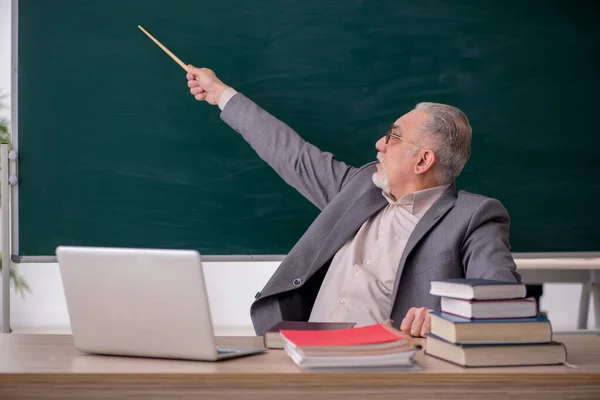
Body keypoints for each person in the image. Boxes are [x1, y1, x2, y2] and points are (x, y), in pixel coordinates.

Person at [185, 65, 521, 337]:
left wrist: (447, 319)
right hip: (303, 350)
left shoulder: (473, 216)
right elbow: (292, 155)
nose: (380, 143)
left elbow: (498, 296)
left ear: (423, 161)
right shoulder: (359, 187)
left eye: (393, 136)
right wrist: (220, 94)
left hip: (389, 368)